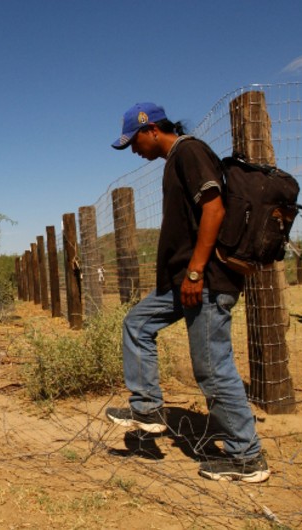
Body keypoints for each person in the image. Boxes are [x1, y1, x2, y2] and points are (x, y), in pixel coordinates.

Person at [106, 103, 269, 483]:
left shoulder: (189, 151)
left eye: (134, 141)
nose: (134, 150)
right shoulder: (173, 160)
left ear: (152, 130)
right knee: (137, 323)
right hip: (184, 283)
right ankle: (146, 409)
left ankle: (247, 456)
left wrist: (195, 270)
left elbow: (214, 210)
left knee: (211, 370)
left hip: (206, 281)